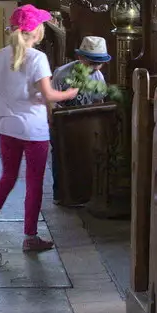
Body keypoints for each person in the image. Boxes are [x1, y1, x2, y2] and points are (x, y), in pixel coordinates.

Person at [0, 4, 79, 252]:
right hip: (33, 130)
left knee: (7, 178)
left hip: (7, 127)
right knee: (34, 183)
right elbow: (48, 95)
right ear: (36, 31)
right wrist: (70, 93)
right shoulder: (38, 58)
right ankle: (30, 237)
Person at [48, 36, 113, 205]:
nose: (94, 68)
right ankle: (61, 193)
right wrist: (53, 122)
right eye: (90, 63)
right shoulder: (62, 73)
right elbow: (52, 101)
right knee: (61, 158)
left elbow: (99, 102)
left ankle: (84, 193)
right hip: (63, 123)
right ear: (80, 58)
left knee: (86, 158)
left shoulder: (98, 77)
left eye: (98, 64)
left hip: (86, 125)